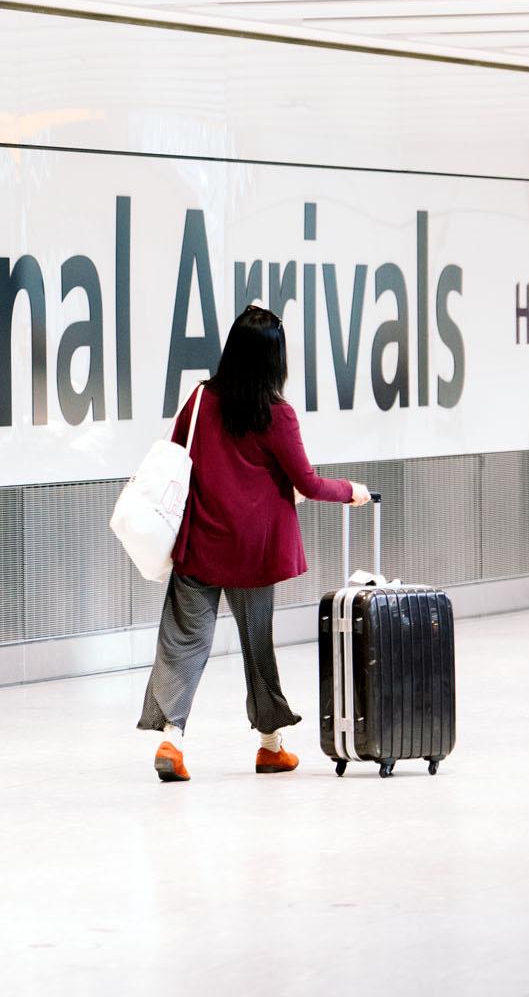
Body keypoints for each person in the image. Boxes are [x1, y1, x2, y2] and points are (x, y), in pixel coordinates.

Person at [138, 304, 370, 782]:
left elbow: (177, 455)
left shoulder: (200, 399)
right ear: (273, 359)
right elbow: (307, 482)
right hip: (253, 553)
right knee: (257, 645)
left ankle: (171, 741)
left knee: (184, 642)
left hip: (201, 543)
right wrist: (351, 491)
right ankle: (269, 747)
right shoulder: (276, 414)